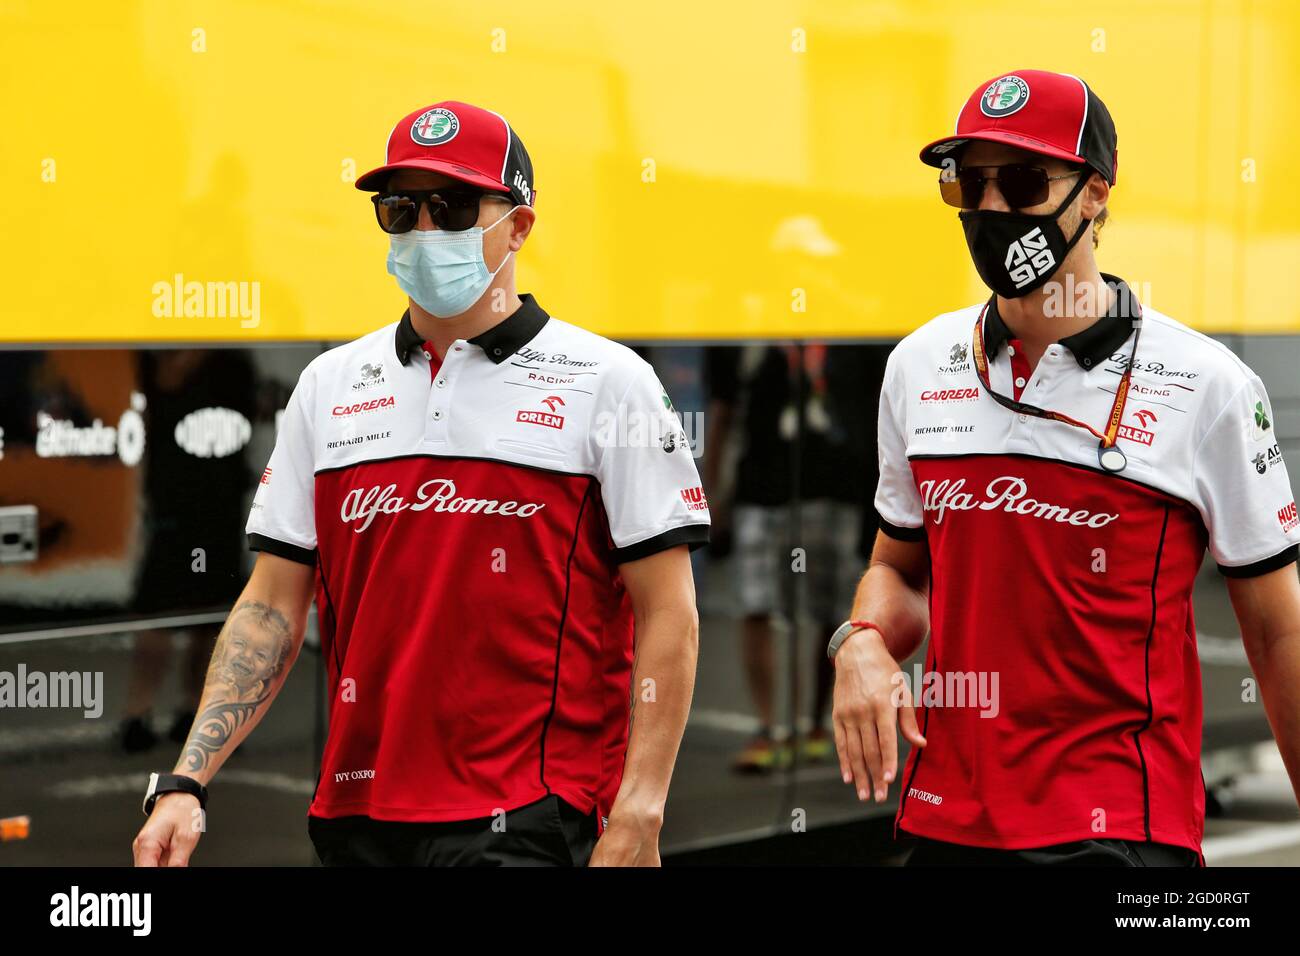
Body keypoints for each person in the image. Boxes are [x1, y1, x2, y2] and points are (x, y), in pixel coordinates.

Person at [132, 100, 710, 867]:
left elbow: (669, 613)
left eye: (454, 206)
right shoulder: (329, 384)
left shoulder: (609, 382)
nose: (424, 232)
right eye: (400, 210)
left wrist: (640, 809)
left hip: (532, 815)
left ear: (520, 226)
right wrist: (186, 780)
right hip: (356, 811)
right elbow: (272, 602)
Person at [828, 70, 1300, 865]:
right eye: (968, 185)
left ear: (1094, 196)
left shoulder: (1208, 384)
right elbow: (900, 571)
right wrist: (862, 640)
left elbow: (1276, 628)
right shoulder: (918, 364)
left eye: (1020, 182)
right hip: (945, 821)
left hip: (1120, 827)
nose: (992, 211)